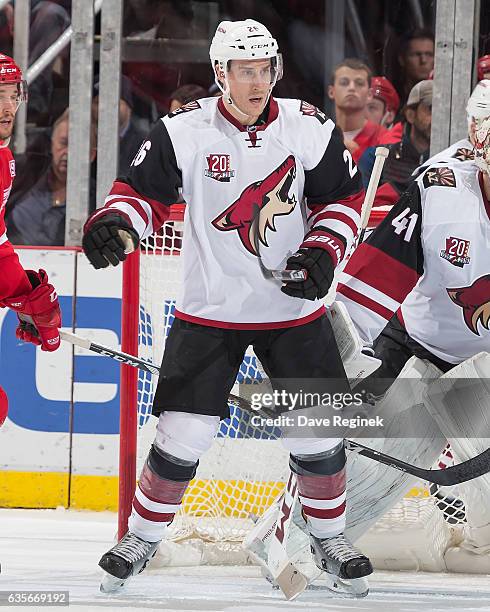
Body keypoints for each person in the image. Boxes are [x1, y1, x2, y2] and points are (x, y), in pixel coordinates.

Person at [82, 19, 373, 597]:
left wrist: (323, 250)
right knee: (182, 434)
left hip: (290, 311)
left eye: (266, 68)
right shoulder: (182, 132)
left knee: (317, 434)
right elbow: (139, 196)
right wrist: (116, 224)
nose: (259, 81)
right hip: (208, 310)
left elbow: (341, 200)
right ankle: (141, 538)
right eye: (246, 70)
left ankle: (330, 537)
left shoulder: (306, 124)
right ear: (221, 74)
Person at [335, 80, 490, 571]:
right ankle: (315, 530)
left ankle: (482, 538)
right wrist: (333, 358)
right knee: (357, 446)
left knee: (471, 401)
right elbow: (375, 280)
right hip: (422, 339)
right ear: (478, 136)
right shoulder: (439, 185)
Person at [0, 53, 62, 426]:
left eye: (12, 95)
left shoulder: (3, 160)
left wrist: (21, 290)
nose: (8, 107)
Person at [7, 109, 97, 245]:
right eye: (63, 143)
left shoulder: (97, 200)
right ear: (51, 144)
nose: (68, 152)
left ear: (91, 154)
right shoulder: (24, 179)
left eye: (77, 146)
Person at [358, 79, 433, 205]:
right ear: (410, 115)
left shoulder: (452, 163)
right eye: (431, 108)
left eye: (444, 110)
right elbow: (360, 210)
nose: (438, 116)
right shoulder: (375, 157)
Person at [327, 58, 399, 164]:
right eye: (344, 83)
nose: (351, 88)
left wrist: (358, 155)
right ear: (331, 92)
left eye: (359, 83)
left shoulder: (386, 139)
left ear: (369, 94)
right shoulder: (321, 135)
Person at [93, 76, 146, 175]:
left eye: (114, 102)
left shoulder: (144, 143)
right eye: (98, 102)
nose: (104, 108)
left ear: (129, 106)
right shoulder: (83, 142)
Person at [394, 28, 434, 111]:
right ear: (402, 59)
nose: (423, 60)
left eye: (429, 54)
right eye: (416, 54)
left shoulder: (444, 97)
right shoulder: (394, 97)